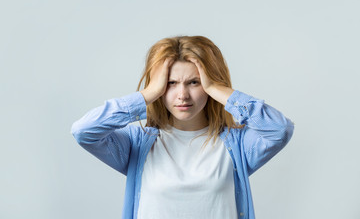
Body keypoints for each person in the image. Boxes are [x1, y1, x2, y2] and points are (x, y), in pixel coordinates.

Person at [71, 35, 295, 219]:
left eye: (194, 82)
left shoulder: (237, 145)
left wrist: (216, 89)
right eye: (171, 83)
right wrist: (148, 95)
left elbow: (280, 130)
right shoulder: (137, 143)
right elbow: (84, 131)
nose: (182, 95)